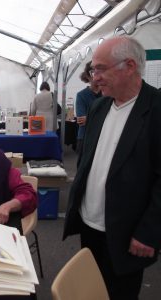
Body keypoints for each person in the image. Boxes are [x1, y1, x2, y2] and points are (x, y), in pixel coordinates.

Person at [63, 36, 161, 299]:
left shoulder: (156, 109)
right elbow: (88, 160)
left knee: (120, 294)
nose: (94, 78)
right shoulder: (99, 106)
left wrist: (150, 232)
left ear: (129, 66)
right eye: (94, 70)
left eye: (100, 69)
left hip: (129, 233)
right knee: (92, 291)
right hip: (90, 224)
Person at [75, 61, 102, 154]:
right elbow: (81, 120)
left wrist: (89, 118)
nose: (98, 76)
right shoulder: (81, 95)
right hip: (85, 138)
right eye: (94, 73)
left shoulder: (107, 94)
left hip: (103, 137)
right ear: (88, 76)